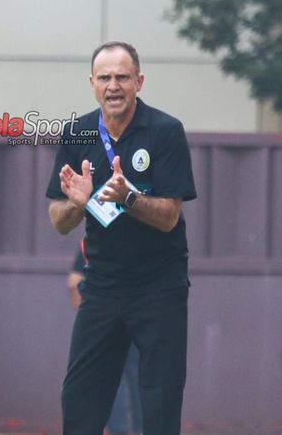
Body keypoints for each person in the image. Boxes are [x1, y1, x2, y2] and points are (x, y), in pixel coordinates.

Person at [46, 41, 196, 435]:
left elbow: (169, 217)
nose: (114, 86)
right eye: (105, 78)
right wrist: (78, 204)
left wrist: (127, 197)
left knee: (160, 405)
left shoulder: (165, 131)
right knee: (79, 400)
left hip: (158, 286)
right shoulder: (78, 133)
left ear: (139, 82)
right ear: (92, 84)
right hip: (103, 285)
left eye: (123, 77)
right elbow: (59, 221)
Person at [68, 248, 142, 435]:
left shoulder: (92, 241)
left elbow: (73, 282)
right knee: (141, 376)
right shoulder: (146, 238)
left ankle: (119, 430)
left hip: (104, 320)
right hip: (139, 318)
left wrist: (85, 317)